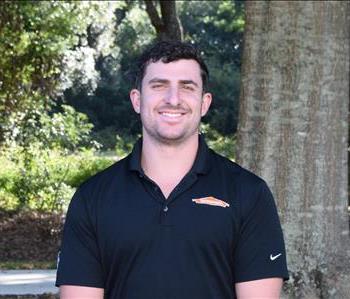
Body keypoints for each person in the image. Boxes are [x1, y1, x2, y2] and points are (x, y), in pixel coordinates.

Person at [56, 41, 288, 299]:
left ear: (204, 103)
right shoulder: (92, 198)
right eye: (159, 85)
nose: (173, 99)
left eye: (187, 87)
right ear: (137, 99)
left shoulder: (249, 194)